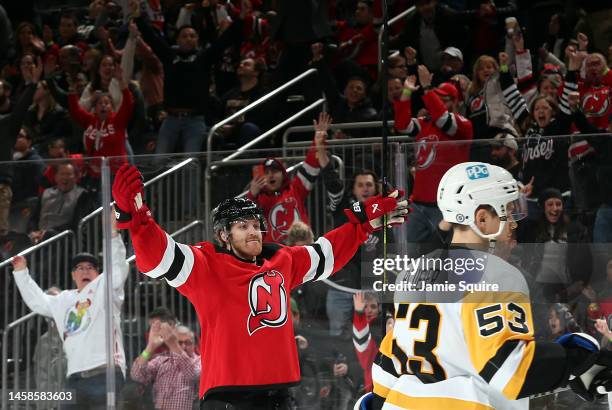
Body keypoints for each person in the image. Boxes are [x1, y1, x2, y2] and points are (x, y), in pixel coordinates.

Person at [110, 161, 409, 408]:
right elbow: (157, 258)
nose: (253, 232)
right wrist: (134, 218)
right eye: (242, 227)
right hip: (226, 398)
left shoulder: (281, 259)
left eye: (255, 226)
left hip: (278, 395)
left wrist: (362, 226)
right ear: (224, 236)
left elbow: (326, 253)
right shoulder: (205, 264)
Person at [357, 162, 612, 409]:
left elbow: (387, 370)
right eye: (508, 211)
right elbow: (511, 374)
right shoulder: (494, 274)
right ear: (481, 219)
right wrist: (578, 356)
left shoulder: (411, 272)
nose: (513, 223)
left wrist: (563, 375)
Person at [10, 217, 129, 409]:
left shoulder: (104, 288)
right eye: (80, 268)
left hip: (105, 374)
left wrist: (113, 235)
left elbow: (117, 269)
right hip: (74, 378)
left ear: (98, 274)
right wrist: (22, 273)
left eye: (91, 268)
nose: (85, 271)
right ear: (73, 275)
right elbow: (38, 302)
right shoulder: (64, 299)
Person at [393, 68, 473, 252]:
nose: (438, 103)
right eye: (437, 99)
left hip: (446, 207)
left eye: (444, 100)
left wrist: (427, 88)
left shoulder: (462, 124)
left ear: (455, 102)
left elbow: (444, 120)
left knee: (445, 256)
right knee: (409, 256)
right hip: (419, 204)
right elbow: (402, 125)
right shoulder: (425, 123)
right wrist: (406, 92)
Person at [247, 112, 331, 243]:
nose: (271, 175)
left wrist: (318, 141)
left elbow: (311, 164)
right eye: (267, 172)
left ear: (283, 173)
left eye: (275, 171)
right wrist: (252, 194)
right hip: (275, 256)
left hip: (302, 249)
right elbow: (247, 221)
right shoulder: (258, 198)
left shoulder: (296, 189)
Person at [131, 322, 200, 410]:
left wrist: (174, 345)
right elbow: (137, 375)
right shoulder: (161, 359)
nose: (183, 347)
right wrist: (150, 347)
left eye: (188, 343)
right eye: (179, 342)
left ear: (195, 344)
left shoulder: (199, 361)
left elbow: (193, 374)